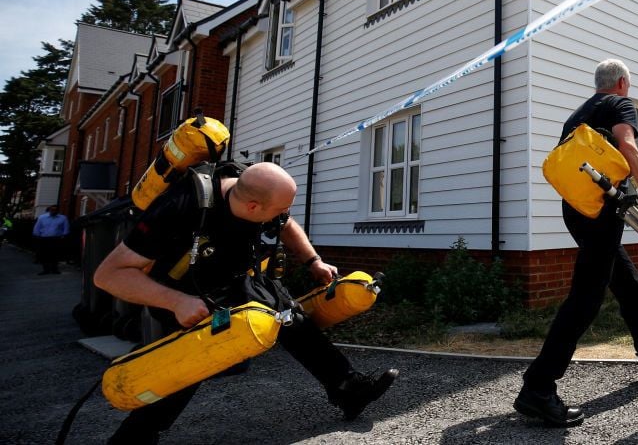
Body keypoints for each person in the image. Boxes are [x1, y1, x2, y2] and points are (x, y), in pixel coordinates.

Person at [94, 162, 398, 444]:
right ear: (252, 206)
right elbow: (109, 275)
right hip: (186, 291)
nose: (282, 216)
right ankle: (133, 438)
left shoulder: (256, 190)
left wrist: (313, 261)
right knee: (190, 362)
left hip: (240, 277)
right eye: (277, 210)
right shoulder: (179, 207)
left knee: (293, 320)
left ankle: (349, 389)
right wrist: (177, 301)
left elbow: (286, 223)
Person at [515, 59, 638, 427]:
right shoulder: (619, 105)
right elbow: (629, 148)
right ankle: (538, 388)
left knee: (626, 282)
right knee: (586, 298)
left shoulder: (577, 115)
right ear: (622, 83)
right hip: (602, 211)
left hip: (576, 210)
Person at [32, 204, 70, 274]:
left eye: (55, 210)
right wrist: (37, 235)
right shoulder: (42, 217)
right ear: (49, 210)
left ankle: (54, 269)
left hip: (56, 239)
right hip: (44, 238)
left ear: (58, 211)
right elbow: (37, 227)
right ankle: (45, 270)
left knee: (55, 255)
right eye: (52, 210)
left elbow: (66, 228)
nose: (53, 211)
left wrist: (64, 235)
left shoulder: (63, 218)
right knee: (44, 254)